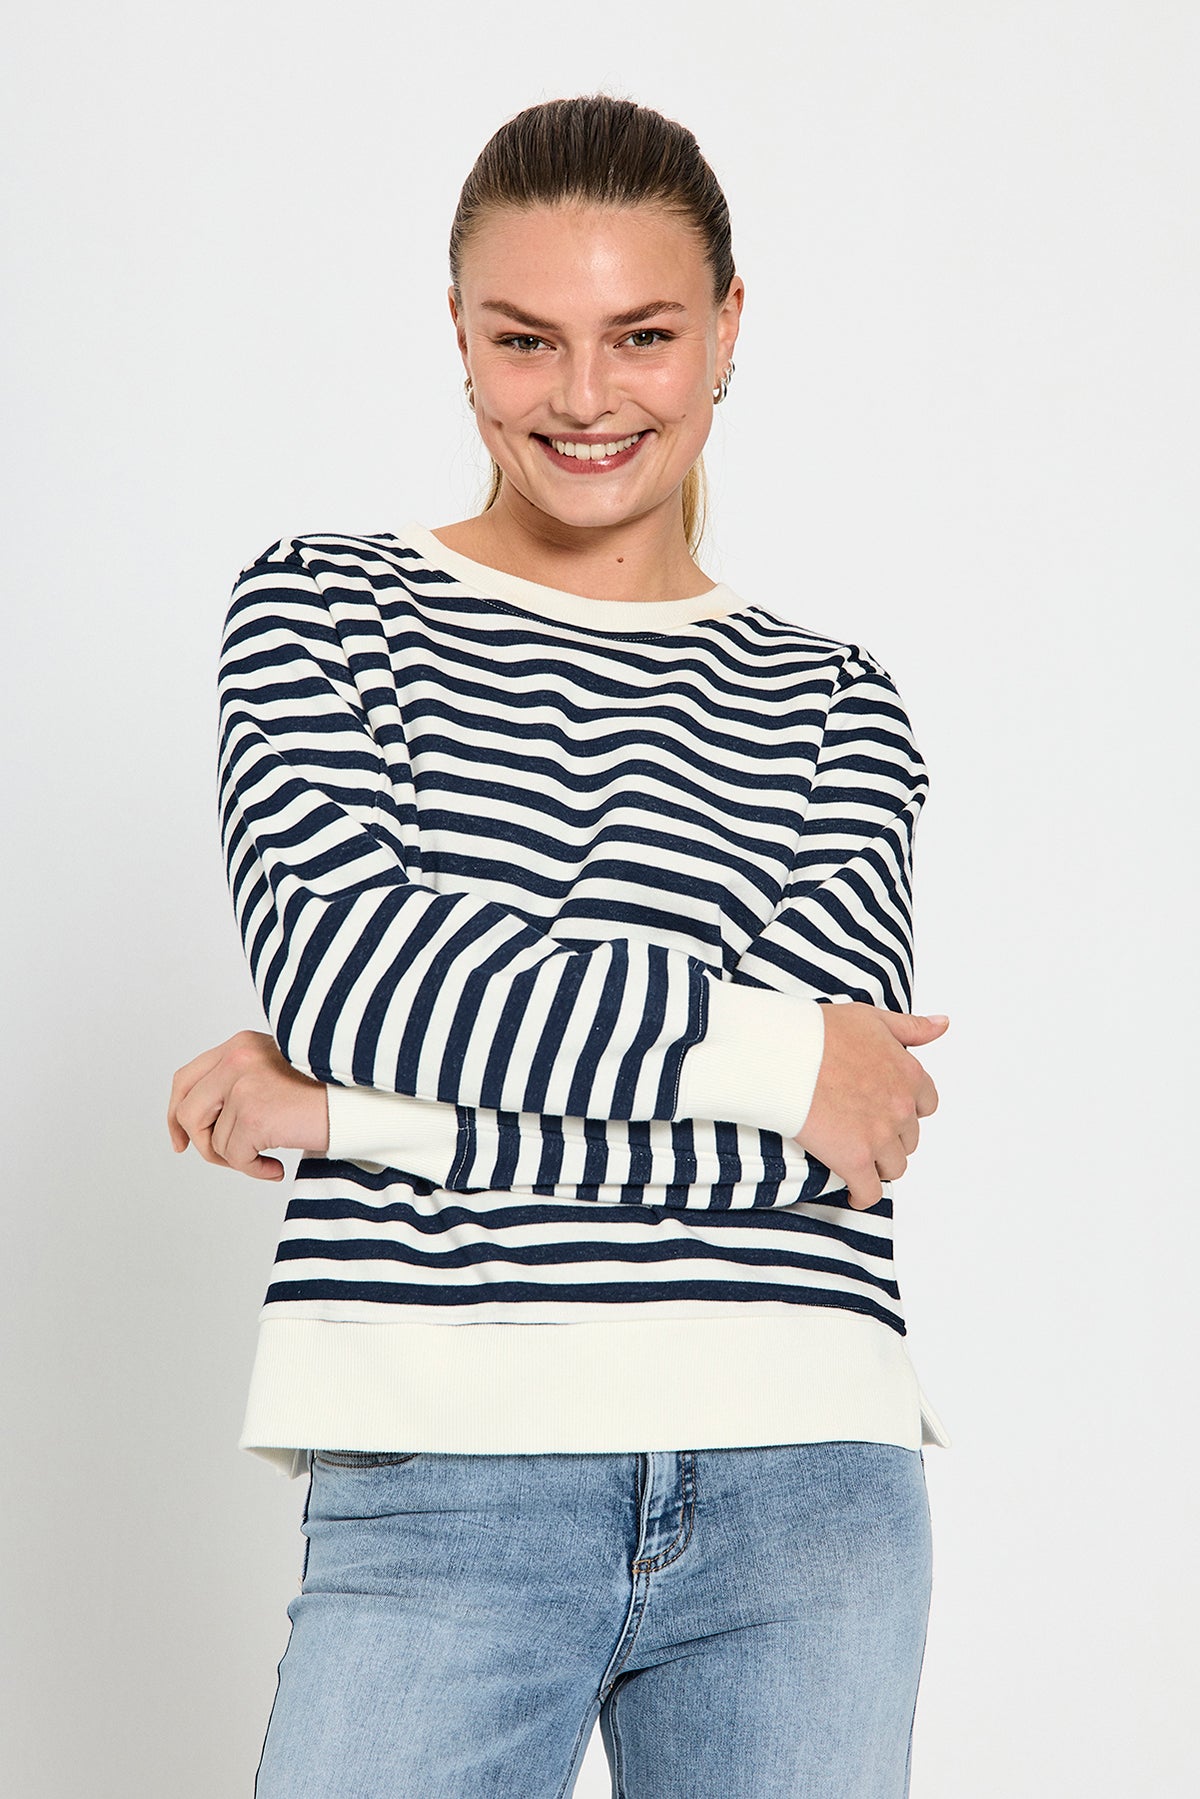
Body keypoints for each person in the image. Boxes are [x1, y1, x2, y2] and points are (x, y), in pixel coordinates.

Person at [168, 92, 953, 1799]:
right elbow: (353, 981)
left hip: (804, 1473)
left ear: (727, 328)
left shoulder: (838, 701)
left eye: (642, 335)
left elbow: (828, 1140)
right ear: (459, 335)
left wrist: (348, 1117)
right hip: (439, 1463)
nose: (585, 397)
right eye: (526, 339)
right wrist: (767, 1052)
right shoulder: (326, 611)